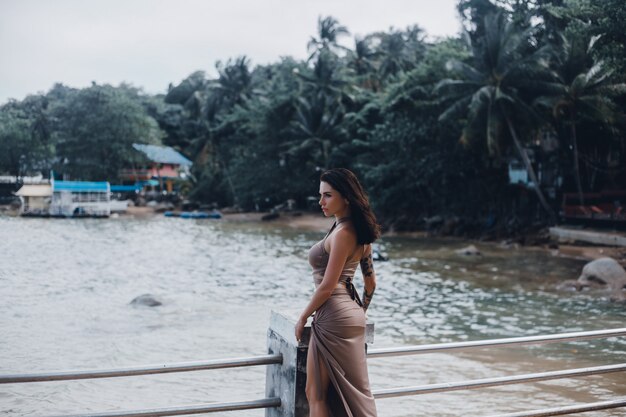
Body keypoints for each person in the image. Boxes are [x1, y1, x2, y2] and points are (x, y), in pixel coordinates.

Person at [295, 168, 380, 417]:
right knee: (350, 393)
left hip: (332, 315)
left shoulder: (343, 233)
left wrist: (303, 317)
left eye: (328, 195)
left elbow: (328, 285)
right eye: (320, 195)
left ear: (346, 197)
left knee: (317, 395)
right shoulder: (361, 233)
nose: (321, 201)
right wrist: (359, 311)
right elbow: (371, 284)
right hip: (350, 316)